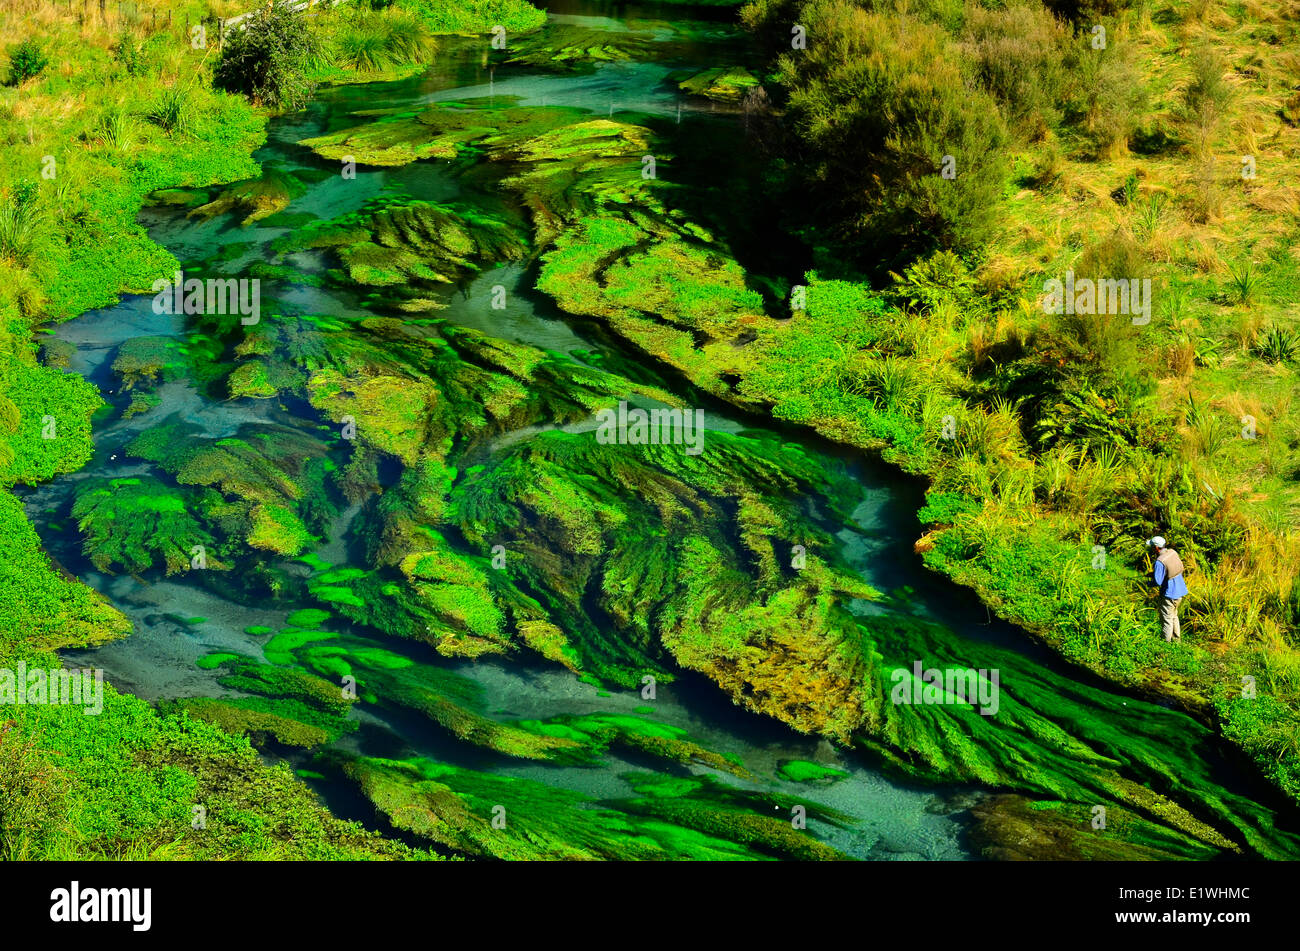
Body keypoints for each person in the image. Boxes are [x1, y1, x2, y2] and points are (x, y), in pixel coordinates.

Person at [1147, 536, 1188, 641]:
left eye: (1151, 546)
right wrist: (1153, 574)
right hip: (1180, 591)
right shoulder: (1172, 552)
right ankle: (1177, 640)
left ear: (1156, 548)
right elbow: (1170, 570)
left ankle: (1166, 644)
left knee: (1167, 619)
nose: (1150, 548)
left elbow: (1158, 581)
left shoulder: (1159, 561)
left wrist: (1149, 583)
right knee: (1174, 616)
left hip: (1169, 594)